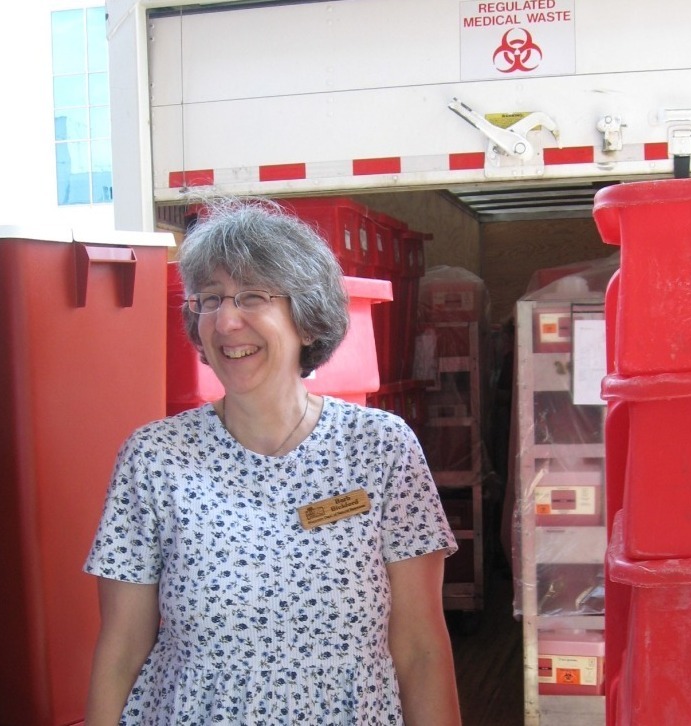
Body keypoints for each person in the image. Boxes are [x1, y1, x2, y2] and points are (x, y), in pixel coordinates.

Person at [83, 197, 462, 725]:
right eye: (210, 299)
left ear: (307, 321)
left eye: (253, 296)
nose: (226, 320)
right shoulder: (154, 459)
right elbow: (122, 649)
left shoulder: (382, 449)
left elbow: (421, 651)